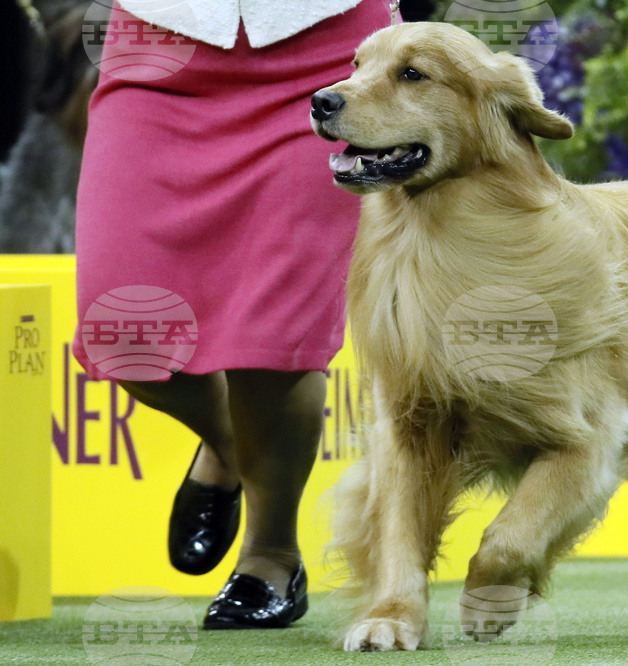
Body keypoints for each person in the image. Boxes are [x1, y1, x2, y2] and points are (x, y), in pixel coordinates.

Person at [73, 0, 391, 629]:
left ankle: (271, 556)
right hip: (157, 50)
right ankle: (229, 449)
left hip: (327, 59)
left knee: (275, 343)